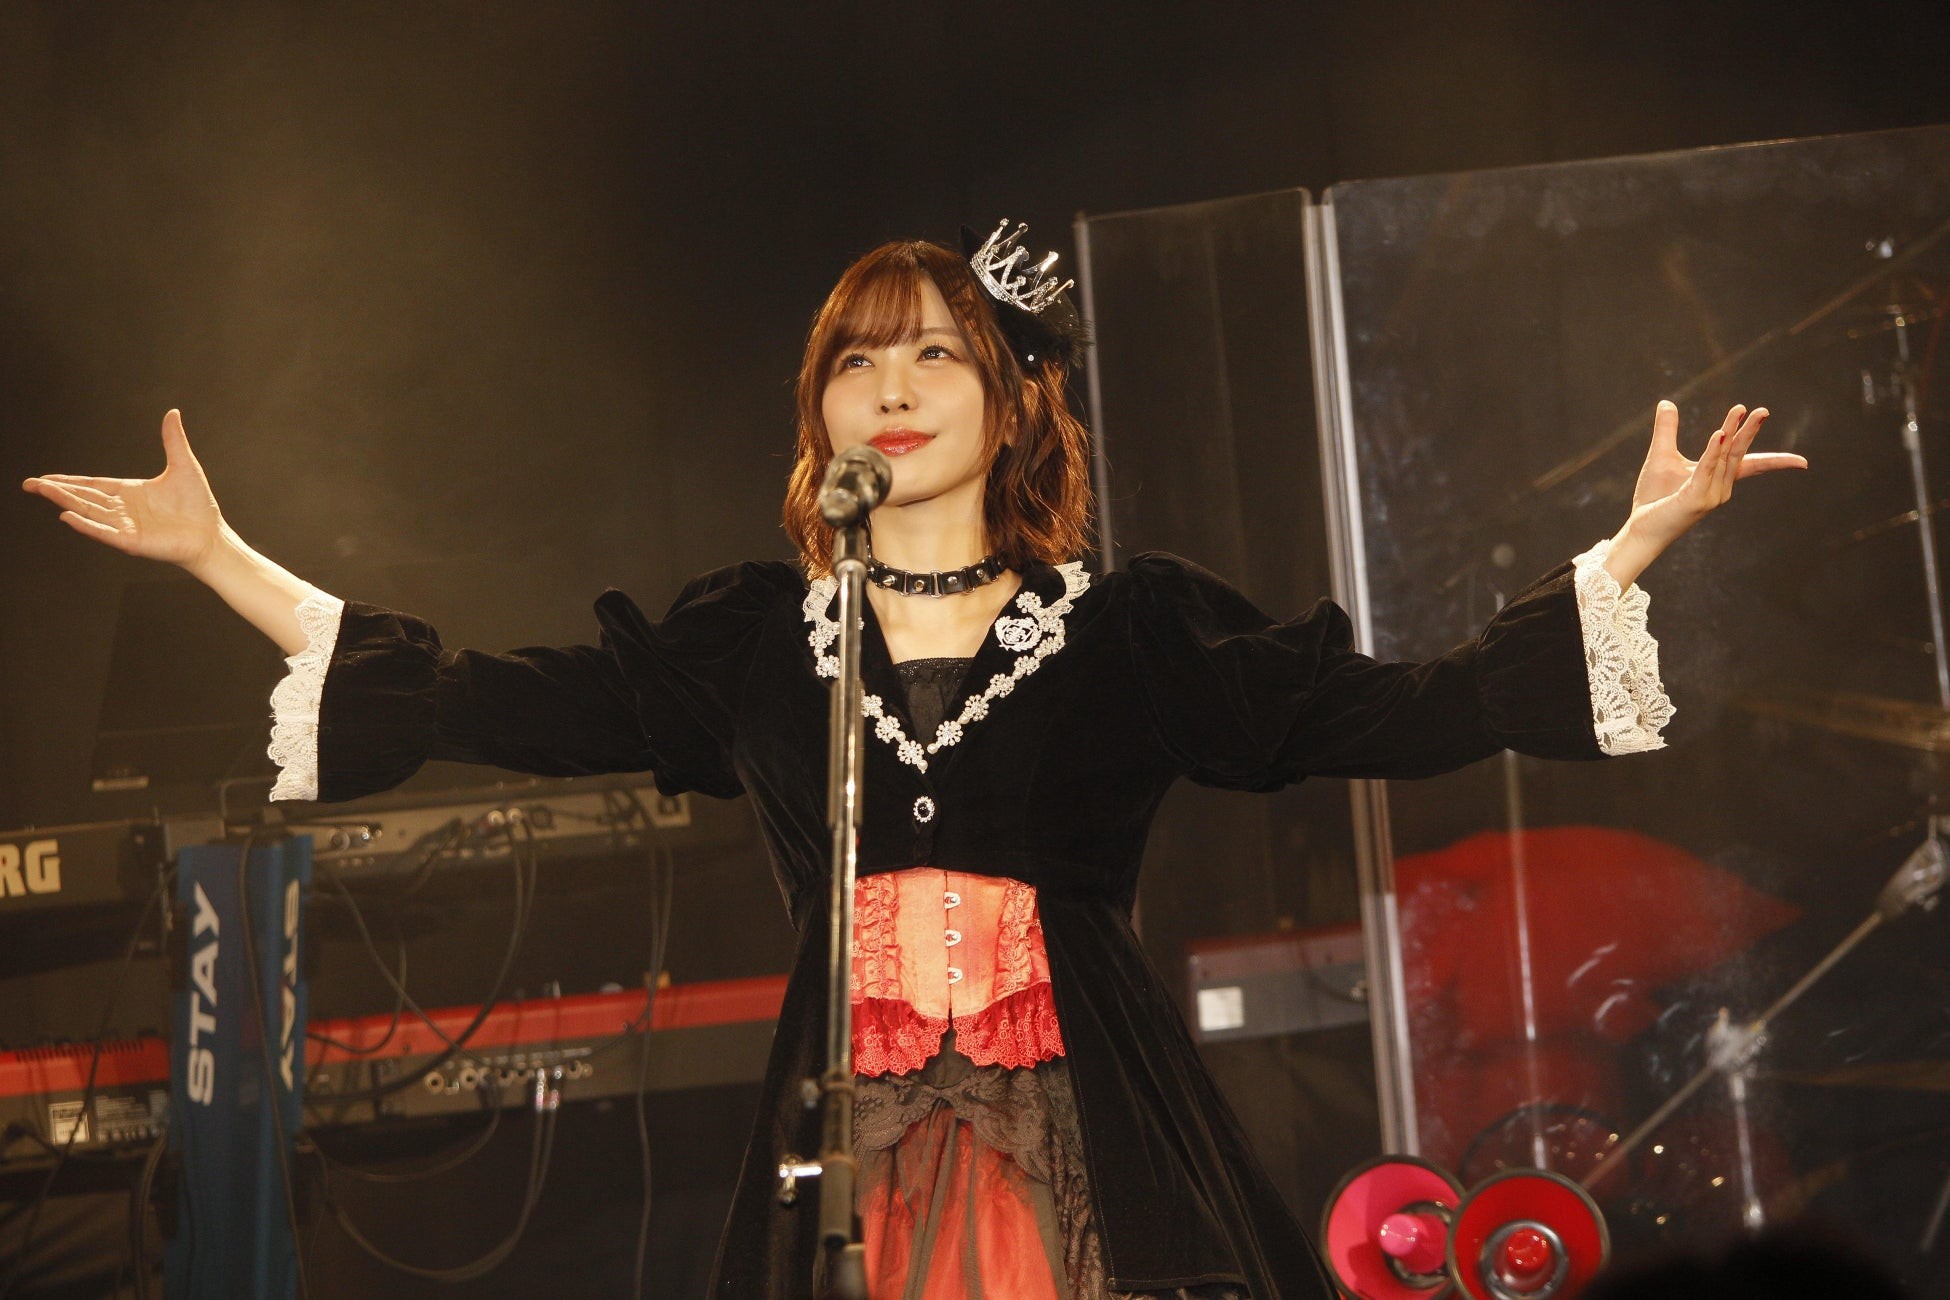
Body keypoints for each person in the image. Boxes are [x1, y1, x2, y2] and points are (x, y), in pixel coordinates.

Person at [22, 222, 1805, 1299]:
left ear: (1011, 397)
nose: (892, 387)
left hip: (1085, 1131)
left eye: (935, 354)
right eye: (856, 360)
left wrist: (1629, 548)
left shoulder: (1129, 628)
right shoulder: (756, 639)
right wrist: (220, 558)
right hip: (846, 1147)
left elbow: (1397, 711)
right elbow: (495, 699)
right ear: (819, 410)